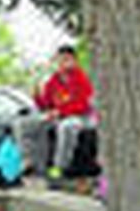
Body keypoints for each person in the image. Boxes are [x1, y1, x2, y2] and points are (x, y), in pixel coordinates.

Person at [34, 44, 97, 176]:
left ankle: (60, 166)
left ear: (74, 61)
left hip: (80, 117)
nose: (63, 63)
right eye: (60, 60)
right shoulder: (54, 80)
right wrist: (37, 95)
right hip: (60, 116)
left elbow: (82, 104)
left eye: (66, 60)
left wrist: (60, 112)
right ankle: (34, 165)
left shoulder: (81, 78)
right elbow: (46, 105)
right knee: (31, 123)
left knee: (67, 127)